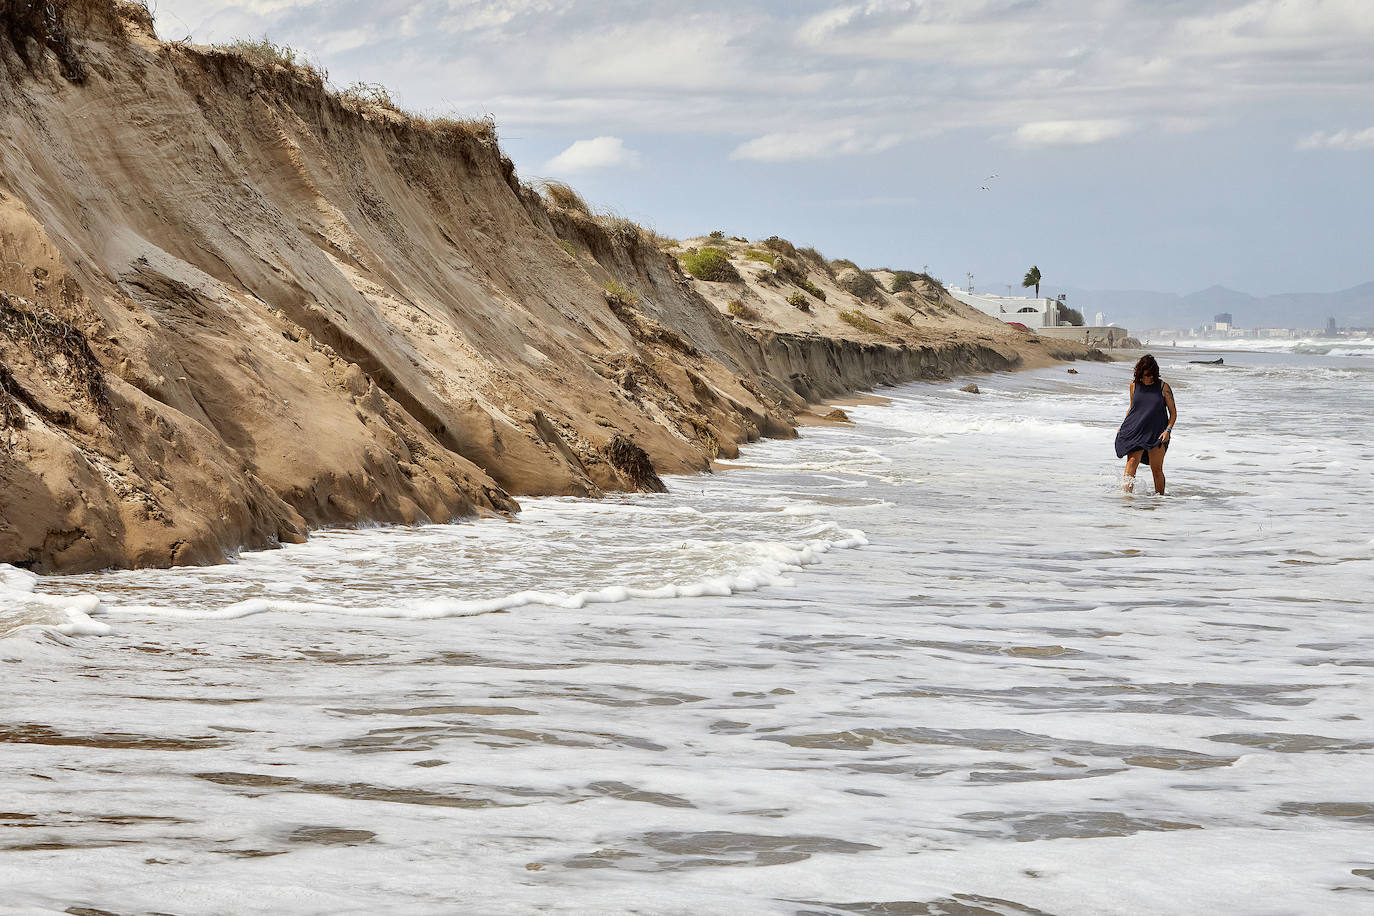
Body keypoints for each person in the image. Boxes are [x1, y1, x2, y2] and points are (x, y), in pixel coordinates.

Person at [1115, 354, 1177, 494]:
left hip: (1157, 433)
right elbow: (1132, 408)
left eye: (1151, 374)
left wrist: (1168, 430)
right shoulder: (1134, 385)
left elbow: (1173, 413)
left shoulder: (1163, 387)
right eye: (1145, 374)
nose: (1149, 378)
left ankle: (1159, 500)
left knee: (1156, 470)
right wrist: (1124, 426)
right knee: (1131, 464)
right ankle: (1126, 499)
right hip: (1136, 430)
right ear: (1139, 372)